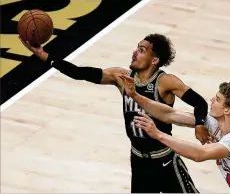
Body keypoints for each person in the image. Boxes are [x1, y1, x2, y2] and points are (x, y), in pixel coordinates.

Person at [19, 33, 212, 193]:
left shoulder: (165, 82)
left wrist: (200, 124)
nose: (135, 52)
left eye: (142, 50)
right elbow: (79, 73)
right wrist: (44, 55)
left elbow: (199, 103)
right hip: (138, 160)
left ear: (154, 60)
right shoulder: (121, 77)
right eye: (137, 47)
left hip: (165, 160)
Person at [120, 75, 230, 193]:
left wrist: (158, 134)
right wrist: (135, 96)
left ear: (227, 110)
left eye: (217, 99)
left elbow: (199, 154)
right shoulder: (215, 123)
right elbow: (170, 114)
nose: (211, 100)